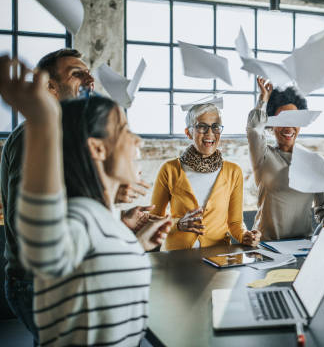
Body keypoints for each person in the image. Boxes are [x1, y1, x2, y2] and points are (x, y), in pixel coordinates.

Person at [0, 56, 171, 346]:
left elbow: (95, 257)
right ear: (50, 87)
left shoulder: (95, 214)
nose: (139, 140)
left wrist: (132, 240)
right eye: (77, 74)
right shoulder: (34, 136)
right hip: (33, 280)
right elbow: (38, 235)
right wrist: (43, 122)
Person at [248, 78, 324, 243]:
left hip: (302, 246)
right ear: (272, 124)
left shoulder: (313, 162)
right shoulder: (263, 156)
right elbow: (254, 129)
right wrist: (263, 99)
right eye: (283, 120)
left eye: (295, 120)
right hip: (265, 246)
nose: (289, 127)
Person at [151, 102, 260, 250]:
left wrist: (245, 235)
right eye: (202, 126)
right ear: (188, 132)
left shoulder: (233, 171)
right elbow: (153, 220)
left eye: (215, 126)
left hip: (218, 257)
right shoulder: (169, 170)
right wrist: (178, 224)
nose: (210, 133)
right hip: (176, 257)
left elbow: (235, 223)